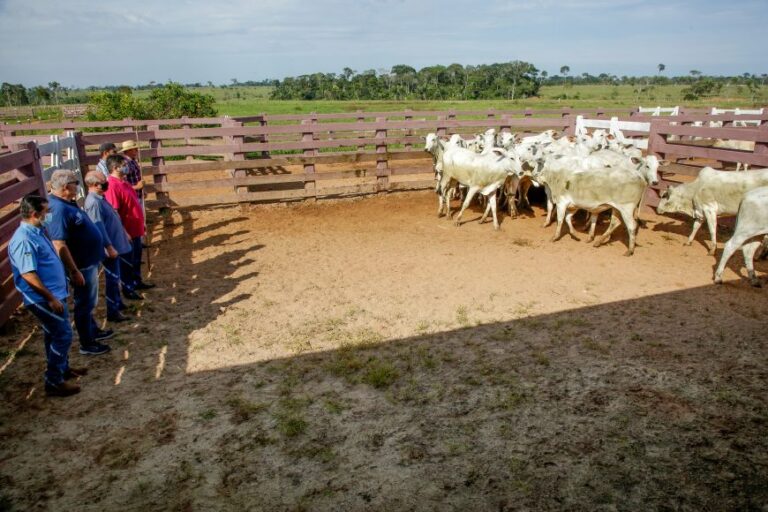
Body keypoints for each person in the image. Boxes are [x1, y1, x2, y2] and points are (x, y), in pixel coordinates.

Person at [9, 194, 86, 396]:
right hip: (43, 299)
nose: (49, 215)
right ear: (35, 214)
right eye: (46, 212)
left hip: (55, 294)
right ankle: (54, 380)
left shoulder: (38, 231)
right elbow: (28, 274)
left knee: (53, 333)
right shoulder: (23, 240)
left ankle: (62, 368)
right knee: (63, 334)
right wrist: (50, 298)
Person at [46, 169, 113, 355]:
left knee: (88, 301)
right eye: (75, 183)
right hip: (81, 265)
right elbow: (59, 243)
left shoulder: (66, 202)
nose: (78, 186)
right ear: (66, 187)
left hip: (87, 261)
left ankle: (92, 331)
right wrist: (74, 270)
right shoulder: (57, 209)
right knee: (85, 303)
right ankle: (87, 343)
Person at [83, 170, 132, 322]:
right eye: (102, 181)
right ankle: (113, 311)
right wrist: (109, 246)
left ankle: (117, 303)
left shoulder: (100, 198)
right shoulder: (93, 203)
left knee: (115, 277)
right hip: (109, 247)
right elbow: (98, 227)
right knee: (112, 279)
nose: (105, 183)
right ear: (93, 184)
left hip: (114, 243)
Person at [103, 154, 154, 297]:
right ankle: (128, 288)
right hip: (127, 231)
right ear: (115, 167)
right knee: (127, 261)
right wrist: (124, 231)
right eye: (123, 165)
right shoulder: (112, 186)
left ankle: (136, 281)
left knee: (136, 258)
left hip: (135, 228)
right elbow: (114, 211)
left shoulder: (124, 182)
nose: (127, 167)